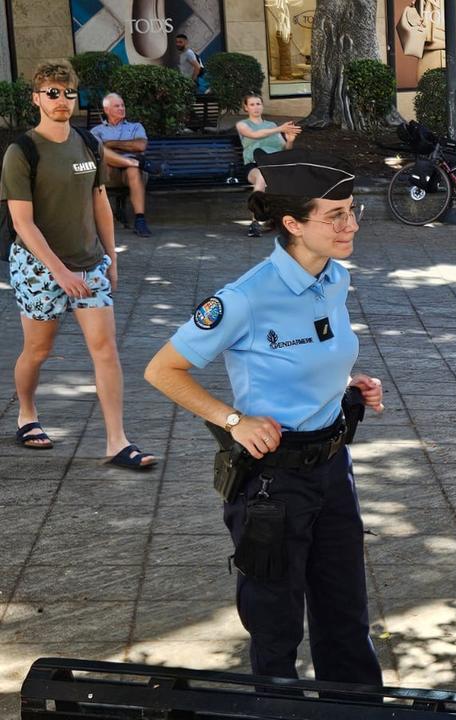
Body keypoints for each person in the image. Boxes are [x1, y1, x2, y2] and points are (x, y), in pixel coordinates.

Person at [143, 149, 383, 685]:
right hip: (273, 483)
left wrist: (349, 385)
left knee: (346, 617)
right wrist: (234, 421)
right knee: (275, 631)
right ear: (294, 224)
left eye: (352, 210)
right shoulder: (246, 298)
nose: (351, 225)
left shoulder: (334, 278)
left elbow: (312, 352)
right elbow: (162, 370)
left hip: (333, 468)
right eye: (335, 215)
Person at [1, 61, 157, 470]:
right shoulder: (23, 151)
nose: (62, 101)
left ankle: (116, 442)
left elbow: (100, 201)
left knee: (106, 351)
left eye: (68, 94)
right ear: (36, 98)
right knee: (39, 350)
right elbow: (22, 222)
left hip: (89, 263)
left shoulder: (88, 143)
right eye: (52, 93)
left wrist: (111, 257)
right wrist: (60, 272)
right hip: (38, 267)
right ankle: (27, 414)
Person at [236, 92, 300, 236]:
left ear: (262, 106)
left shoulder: (271, 125)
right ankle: (255, 222)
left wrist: (290, 140)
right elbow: (255, 135)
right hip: (254, 165)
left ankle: (285, 220)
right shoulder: (243, 125)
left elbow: (285, 151)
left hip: (274, 165)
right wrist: (280, 129)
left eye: (258, 104)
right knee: (262, 178)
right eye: (252, 104)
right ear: (246, 108)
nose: (256, 107)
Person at [91, 92, 152, 237]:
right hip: (109, 173)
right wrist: (125, 148)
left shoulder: (135, 127)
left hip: (130, 174)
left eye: (123, 105)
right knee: (103, 154)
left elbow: (140, 146)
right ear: (107, 110)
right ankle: (134, 162)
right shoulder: (96, 131)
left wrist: (111, 144)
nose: (122, 108)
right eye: (117, 106)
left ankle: (140, 219)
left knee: (132, 170)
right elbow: (98, 152)